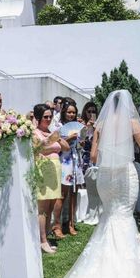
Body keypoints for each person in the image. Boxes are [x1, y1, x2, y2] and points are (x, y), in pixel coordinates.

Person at [19, 90, 140, 278]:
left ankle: (110, 269)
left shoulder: (101, 124)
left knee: (110, 216)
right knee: (123, 216)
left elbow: (93, 155)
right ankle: (127, 277)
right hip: (124, 175)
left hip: (104, 177)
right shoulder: (132, 123)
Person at [32, 104, 68, 253]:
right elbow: (37, 149)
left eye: (50, 116)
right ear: (38, 117)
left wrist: (55, 139)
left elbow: (66, 147)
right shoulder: (34, 132)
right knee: (42, 207)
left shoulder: (51, 132)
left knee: (50, 206)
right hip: (43, 169)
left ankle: (45, 235)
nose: (48, 119)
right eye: (45, 116)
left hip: (55, 170)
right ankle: (42, 240)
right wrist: (50, 142)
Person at [52, 100, 84, 238]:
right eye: (69, 112)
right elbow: (57, 144)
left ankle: (71, 223)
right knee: (62, 194)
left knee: (74, 193)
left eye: (74, 112)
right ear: (64, 112)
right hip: (64, 161)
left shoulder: (78, 126)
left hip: (76, 160)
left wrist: (80, 142)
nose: (72, 114)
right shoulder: (58, 126)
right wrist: (70, 138)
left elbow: (80, 144)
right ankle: (57, 225)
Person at [80, 101, 98, 173]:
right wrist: (86, 127)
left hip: (95, 156)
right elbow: (81, 140)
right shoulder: (81, 124)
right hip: (84, 156)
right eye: (89, 111)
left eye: (93, 112)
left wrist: (95, 127)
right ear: (85, 112)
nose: (91, 114)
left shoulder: (99, 125)